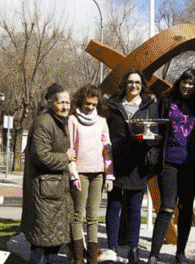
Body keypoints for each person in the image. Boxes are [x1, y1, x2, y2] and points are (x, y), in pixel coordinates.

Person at [105, 69, 162, 264]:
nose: (134, 86)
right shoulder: (112, 105)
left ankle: (133, 250)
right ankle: (111, 248)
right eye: (130, 82)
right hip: (116, 163)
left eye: (137, 83)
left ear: (142, 85)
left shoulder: (149, 106)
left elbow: (155, 132)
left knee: (134, 208)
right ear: (124, 84)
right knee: (113, 206)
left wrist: (150, 142)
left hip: (138, 166)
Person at [147, 69, 195, 264]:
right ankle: (154, 253)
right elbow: (156, 126)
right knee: (167, 207)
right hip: (169, 161)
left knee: (186, 208)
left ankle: (180, 253)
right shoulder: (167, 100)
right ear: (179, 82)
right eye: (185, 82)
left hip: (192, 164)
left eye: (191, 84)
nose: (187, 86)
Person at [21, 83, 77, 264]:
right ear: (50, 103)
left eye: (68, 103)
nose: (65, 106)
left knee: (53, 242)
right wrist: (65, 157)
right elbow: (40, 156)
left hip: (54, 193)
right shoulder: (44, 123)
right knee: (41, 245)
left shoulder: (60, 122)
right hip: (44, 193)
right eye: (61, 102)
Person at [67, 85, 113, 264]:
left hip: (98, 174)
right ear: (81, 101)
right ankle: (78, 257)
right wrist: (74, 174)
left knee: (93, 216)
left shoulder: (102, 121)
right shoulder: (72, 120)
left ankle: (93, 257)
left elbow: (107, 149)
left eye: (94, 104)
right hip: (80, 173)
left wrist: (109, 175)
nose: (91, 107)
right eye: (88, 104)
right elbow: (70, 147)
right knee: (77, 215)